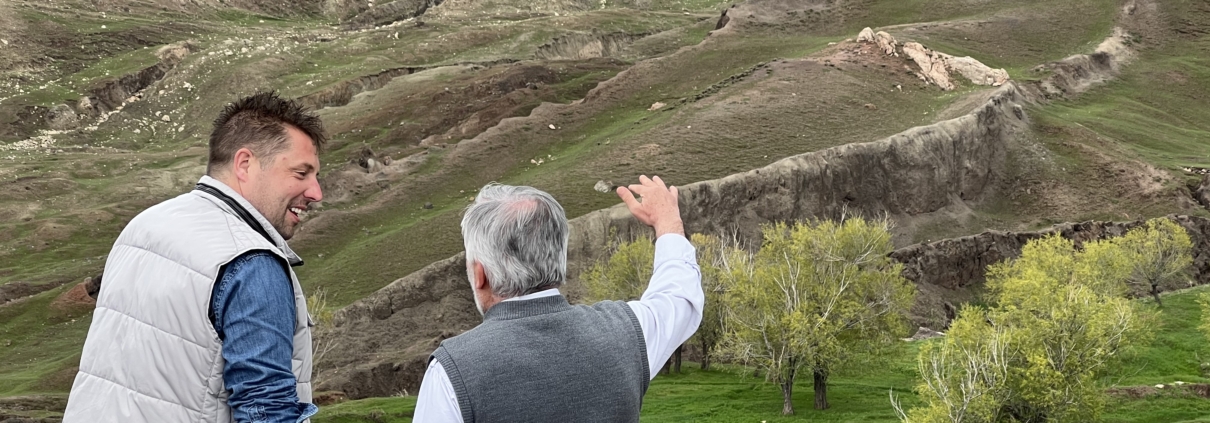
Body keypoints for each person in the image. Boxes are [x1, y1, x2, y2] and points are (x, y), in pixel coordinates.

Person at [63, 91, 326, 423]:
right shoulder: (251, 262)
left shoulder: (144, 226)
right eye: (301, 174)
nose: (316, 192)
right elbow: (267, 411)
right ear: (245, 164)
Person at [413, 175, 704, 422]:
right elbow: (680, 297)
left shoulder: (451, 373)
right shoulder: (626, 331)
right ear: (557, 258)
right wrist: (668, 223)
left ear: (480, 274)